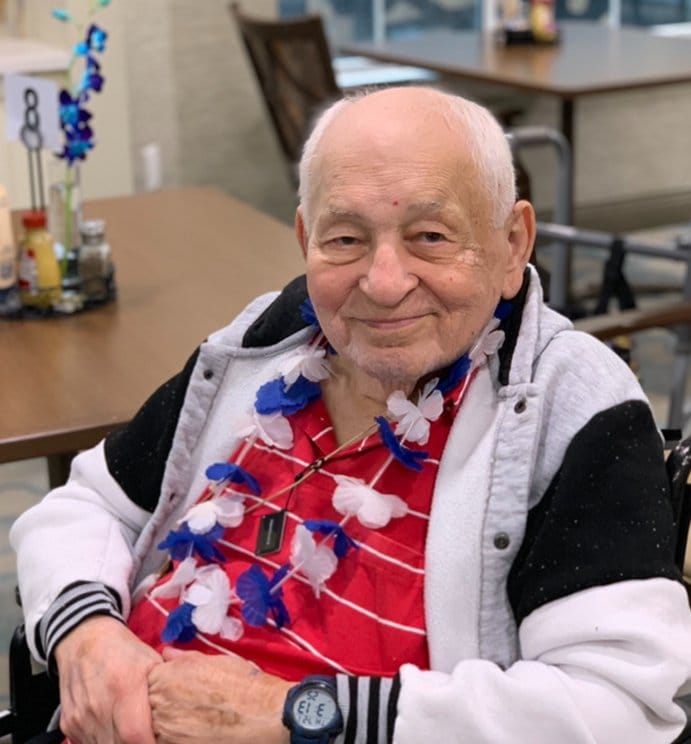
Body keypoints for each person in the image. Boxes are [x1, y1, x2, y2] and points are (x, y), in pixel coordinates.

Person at [11, 85, 691, 744]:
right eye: (344, 240)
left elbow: (613, 709)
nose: (383, 281)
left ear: (513, 245)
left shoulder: (570, 404)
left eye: (429, 235)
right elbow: (85, 506)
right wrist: (88, 636)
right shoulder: (264, 346)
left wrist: (298, 714)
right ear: (306, 237)